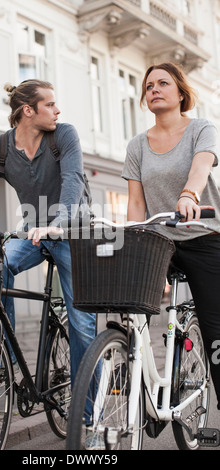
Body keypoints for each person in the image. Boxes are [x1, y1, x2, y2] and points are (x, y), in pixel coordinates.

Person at [0, 79, 96, 400]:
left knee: (82, 327)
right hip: (34, 232)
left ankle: (90, 416)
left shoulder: (63, 135)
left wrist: (59, 224)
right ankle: (6, 360)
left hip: (73, 233)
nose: (57, 110)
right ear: (28, 111)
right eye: (50, 104)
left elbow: (73, 181)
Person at [122, 62, 220, 411]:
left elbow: (201, 167)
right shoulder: (137, 146)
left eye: (163, 83)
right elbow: (136, 202)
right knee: (130, 307)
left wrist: (189, 195)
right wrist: (131, 241)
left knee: (214, 325)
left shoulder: (201, 129)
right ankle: (136, 383)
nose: (154, 90)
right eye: (149, 86)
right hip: (159, 239)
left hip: (203, 236)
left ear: (180, 93)